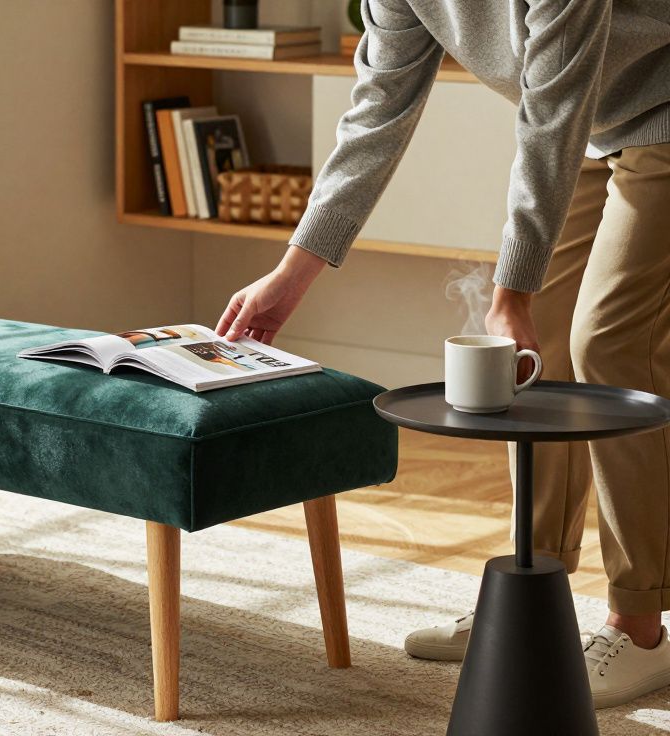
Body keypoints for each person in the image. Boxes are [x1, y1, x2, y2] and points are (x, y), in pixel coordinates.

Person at [215, 0, 670, 708]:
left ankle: (640, 626)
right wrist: (290, 276)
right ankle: (533, 599)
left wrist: (511, 290)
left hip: (656, 112)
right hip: (590, 130)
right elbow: (377, 112)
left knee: (607, 342)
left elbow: (553, 107)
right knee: (538, 349)